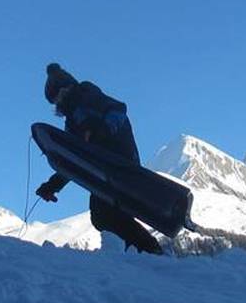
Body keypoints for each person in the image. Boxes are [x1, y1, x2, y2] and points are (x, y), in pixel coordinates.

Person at [34, 63, 163, 255]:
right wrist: (52, 186)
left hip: (120, 166)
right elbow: (73, 157)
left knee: (104, 213)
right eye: (54, 101)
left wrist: (102, 131)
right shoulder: (72, 121)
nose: (57, 103)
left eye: (58, 96)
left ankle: (150, 252)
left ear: (67, 88)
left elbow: (118, 110)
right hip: (104, 172)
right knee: (103, 215)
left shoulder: (87, 96)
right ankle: (142, 255)